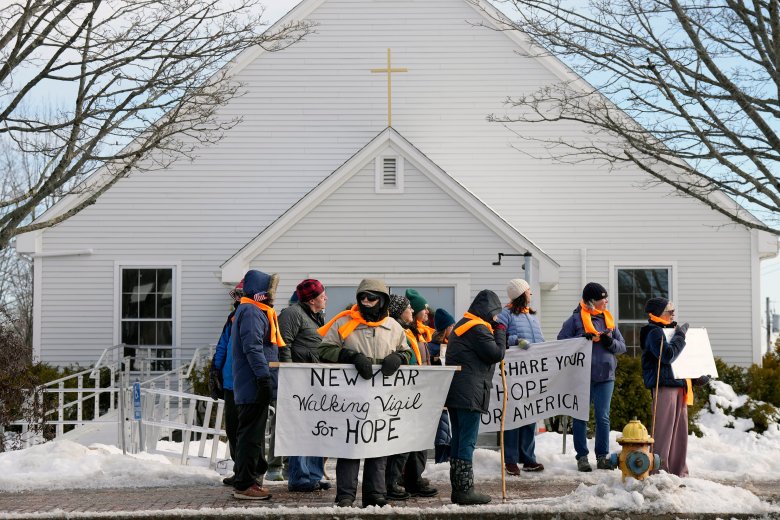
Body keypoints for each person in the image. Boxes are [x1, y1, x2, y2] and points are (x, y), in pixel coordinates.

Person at [318, 279, 413, 508]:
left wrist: (398, 359)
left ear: (382, 300)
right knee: (349, 445)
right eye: (363, 297)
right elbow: (324, 349)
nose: (367, 302)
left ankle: (375, 494)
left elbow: (408, 352)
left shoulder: (394, 326)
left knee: (377, 444)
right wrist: (350, 356)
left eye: (372, 297)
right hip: (350, 398)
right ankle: (345, 495)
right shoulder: (344, 322)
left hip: (382, 397)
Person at [557, 282, 626, 472]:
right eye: (601, 299)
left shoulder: (608, 320)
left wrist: (609, 341)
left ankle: (602, 456)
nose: (605, 302)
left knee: (603, 417)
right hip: (582, 376)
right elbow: (560, 344)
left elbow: (622, 346)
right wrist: (580, 340)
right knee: (581, 417)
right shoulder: (575, 320)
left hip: (606, 375)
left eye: (606, 298)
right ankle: (582, 457)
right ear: (590, 302)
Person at [445, 289, 506, 505]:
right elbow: (496, 354)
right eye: (495, 314)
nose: (496, 318)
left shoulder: (463, 325)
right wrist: (500, 330)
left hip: (457, 392)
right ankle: (464, 490)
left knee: (459, 439)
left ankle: (459, 489)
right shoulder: (478, 328)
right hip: (470, 392)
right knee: (467, 441)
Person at [230, 269, 285, 500]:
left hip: (253, 382)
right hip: (253, 383)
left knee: (253, 434)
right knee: (251, 436)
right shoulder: (252, 311)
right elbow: (252, 347)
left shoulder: (255, 310)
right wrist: (263, 377)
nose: (272, 295)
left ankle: (249, 479)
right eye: (269, 290)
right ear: (260, 291)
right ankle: (244, 484)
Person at [640, 297, 708, 477]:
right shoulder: (653, 332)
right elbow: (668, 356)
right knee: (664, 430)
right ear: (656, 313)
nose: (673, 313)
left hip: (679, 386)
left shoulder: (669, 331)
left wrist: (694, 378)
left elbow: (680, 362)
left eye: (672, 310)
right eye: (668, 310)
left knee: (679, 433)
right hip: (664, 387)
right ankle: (659, 471)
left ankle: (678, 472)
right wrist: (680, 336)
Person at [383, 295, 438, 501]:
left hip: (417, 392)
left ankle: (414, 477)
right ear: (400, 311)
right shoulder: (397, 331)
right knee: (402, 442)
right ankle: (393, 481)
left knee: (417, 439)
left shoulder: (414, 331)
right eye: (410, 309)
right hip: (402, 394)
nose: (414, 312)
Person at [278, 279, 331, 492]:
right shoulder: (292, 314)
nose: (326, 298)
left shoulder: (316, 317)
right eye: (322, 295)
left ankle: (314, 475)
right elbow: (284, 344)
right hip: (300, 381)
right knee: (301, 429)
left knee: (317, 428)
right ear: (311, 300)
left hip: (316, 382)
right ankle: (300, 477)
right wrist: (291, 374)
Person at [497, 278, 545, 474]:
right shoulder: (505, 314)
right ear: (520, 294)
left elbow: (540, 341)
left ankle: (528, 457)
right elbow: (498, 337)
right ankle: (510, 459)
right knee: (513, 415)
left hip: (531, 372)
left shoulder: (532, 317)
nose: (531, 294)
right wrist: (517, 340)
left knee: (530, 414)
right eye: (528, 291)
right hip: (515, 373)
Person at [209, 280, 243, 486]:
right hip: (230, 382)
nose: (237, 299)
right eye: (236, 295)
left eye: (241, 294)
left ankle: (252, 472)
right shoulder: (232, 318)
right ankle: (240, 469)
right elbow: (222, 345)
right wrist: (215, 371)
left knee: (247, 430)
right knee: (232, 428)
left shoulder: (258, 315)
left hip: (247, 382)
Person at [429, 308, 455, 464]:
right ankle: (441, 459)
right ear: (445, 328)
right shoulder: (432, 347)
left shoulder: (452, 345)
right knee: (442, 428)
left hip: (450, 392)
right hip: (437, 394)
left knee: (448, 426)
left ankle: (446, 458)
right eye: (451, 326)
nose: (453, 329)